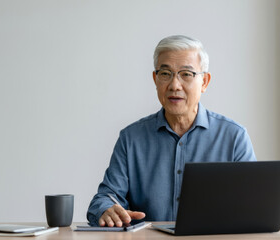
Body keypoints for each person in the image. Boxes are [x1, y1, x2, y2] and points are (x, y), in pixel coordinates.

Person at [87, 35, 257, 227]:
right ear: (155, 79)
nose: (174, 85)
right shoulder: (131, 139)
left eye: (186, 74)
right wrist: (106, 210)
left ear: (204, 82)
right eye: (165, 74)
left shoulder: (234, 138)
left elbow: (253, 207)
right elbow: (104, 199)